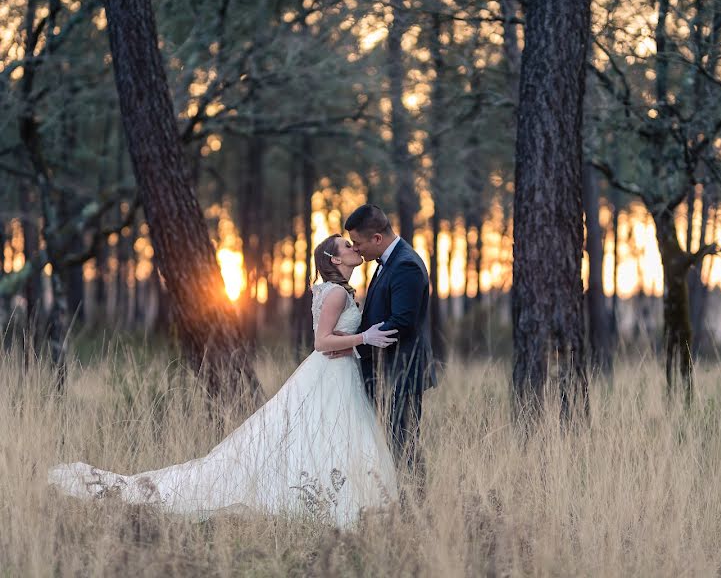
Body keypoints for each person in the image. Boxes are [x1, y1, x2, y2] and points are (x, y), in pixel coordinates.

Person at [48, 235, 399, 528]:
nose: (355, 248)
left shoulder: (335, 290)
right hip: (331, 374)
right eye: (347, 246)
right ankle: (333, 504)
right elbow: (321, 343)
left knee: (327, 437)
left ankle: (333, 500)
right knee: (326, 435)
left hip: (337, 374)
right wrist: (363, 338)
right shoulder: (335, 293)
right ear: (334, 259)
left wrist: (353, 340)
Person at [332, 204, 437, 491]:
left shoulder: (405, 265)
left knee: (404, 445)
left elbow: (402, 322)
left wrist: (357, 346)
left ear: (377, 238)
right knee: (392, 444)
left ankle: (414, 507)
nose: (357, 249)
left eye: (359, 242)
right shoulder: (389, 263)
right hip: (386, 373)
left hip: (399, 373)